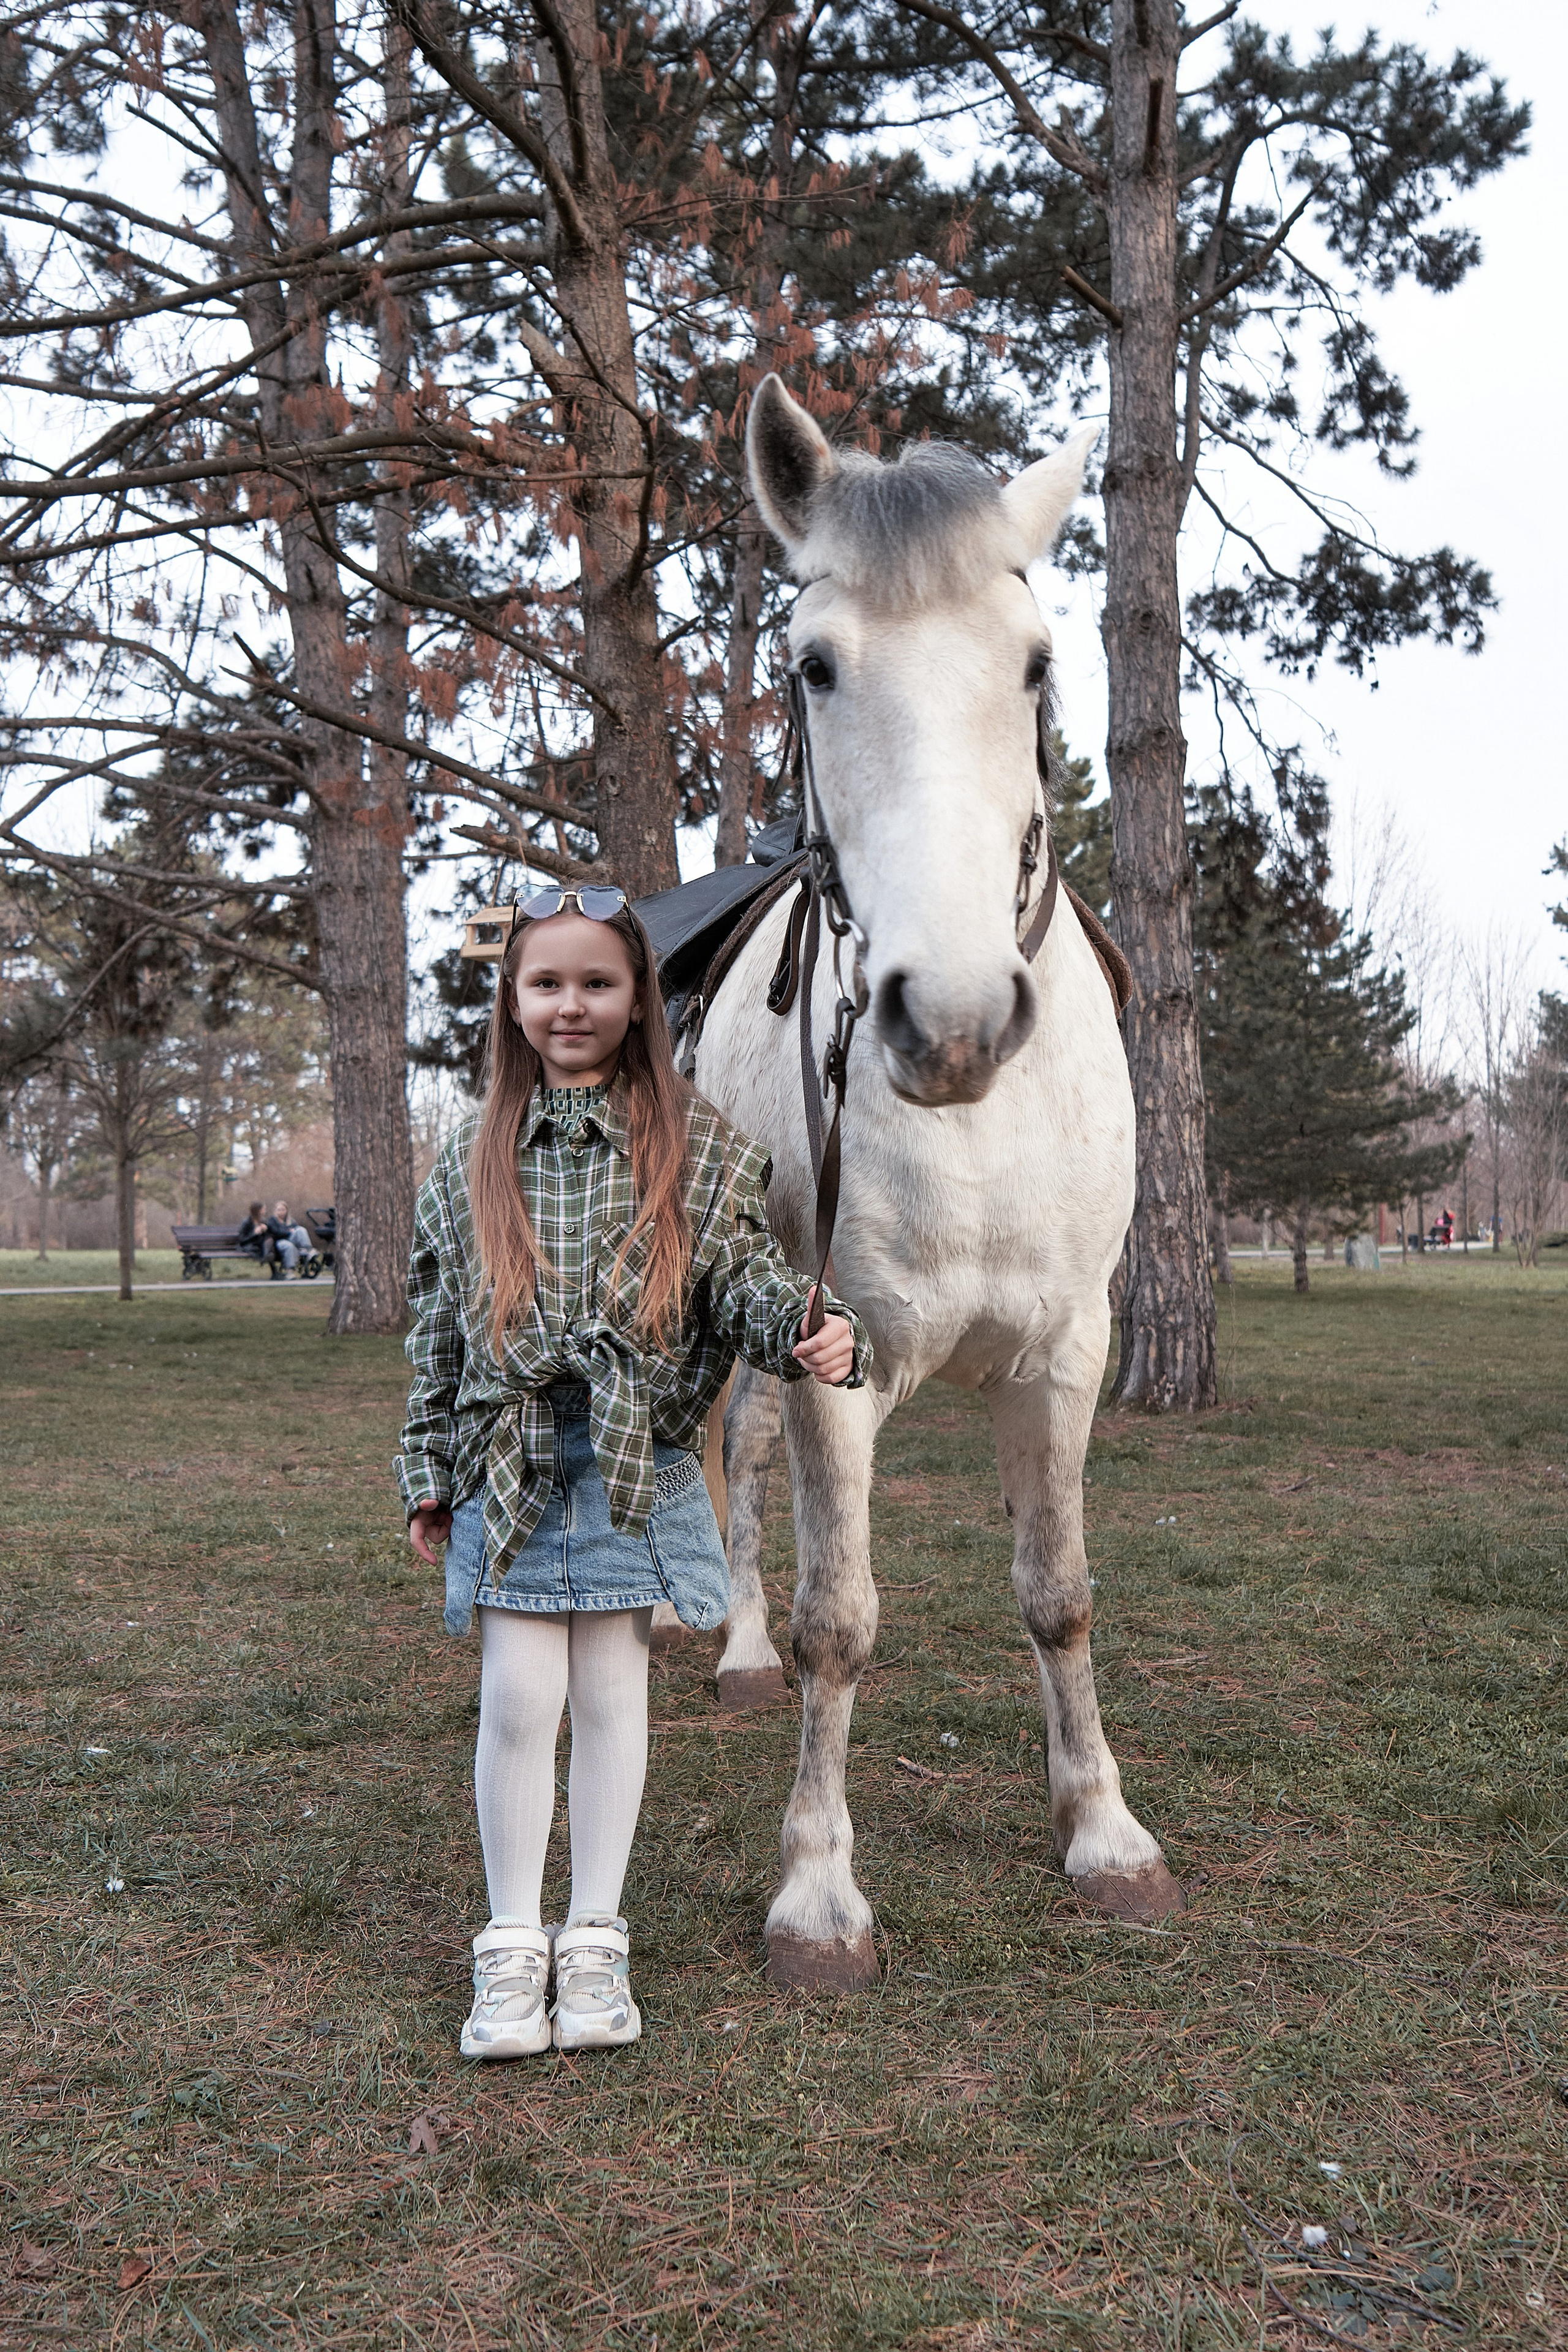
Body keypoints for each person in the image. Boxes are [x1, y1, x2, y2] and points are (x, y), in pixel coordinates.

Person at [396, 885, 867, 2063]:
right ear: (510, 1001)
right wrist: (426, 1471)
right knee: (516, 1699)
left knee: (613, 1694)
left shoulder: (697, 1150)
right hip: (509, 1464)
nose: (571, 1005)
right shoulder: (467, 1156)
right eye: (546, 982)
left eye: (598, 983)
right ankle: (512, 1944)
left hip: (633, 1462)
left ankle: (594, 1938)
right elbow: (436, 1334)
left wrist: (808, 1321)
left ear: (638, 1000)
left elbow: (742, 1281)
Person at [236, 1201, 284, 1277]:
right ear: (258, 1211)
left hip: (261, 1245)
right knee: (269, 1250)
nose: (265, 1211)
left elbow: (270, 1235)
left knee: (270, 1241)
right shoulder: (247, 1222)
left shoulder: (263, 1221)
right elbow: (242, 1240)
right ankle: (274, 1271)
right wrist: (254, 1233)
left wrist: (266, 1229)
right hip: (249, 1245)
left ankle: (267, 1258)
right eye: (264, 1209)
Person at [271, 1200, 314, 1273]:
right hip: (280, 1241)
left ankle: (308, 1250)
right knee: (289, 1246)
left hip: (290, 1239)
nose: (281, 1212)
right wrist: (288, 1231)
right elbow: (277, 1232)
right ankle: (290, 1270)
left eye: (283, 1210)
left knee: (301, 1229)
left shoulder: (291, 1221)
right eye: (279, 1210)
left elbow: (296, 1230)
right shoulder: (273, 1220)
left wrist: (290, 1231)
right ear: (276, 1211)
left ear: (287, 1211)